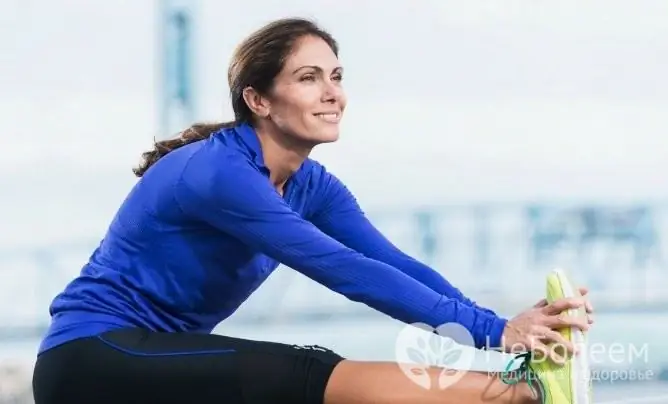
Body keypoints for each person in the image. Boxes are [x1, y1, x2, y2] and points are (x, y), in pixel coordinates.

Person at [32, 17, 593, 404]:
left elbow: (391, 264)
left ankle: (520, 386)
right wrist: (496, 334)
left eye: (337, 76)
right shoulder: (218, 173)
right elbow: (344, 271)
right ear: (259, 100)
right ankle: (529, 394)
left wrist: (500, 329)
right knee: (305, 371)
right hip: (94, 360)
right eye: (308, 78)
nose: (332, 93)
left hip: (162, 363)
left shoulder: (310, 185)